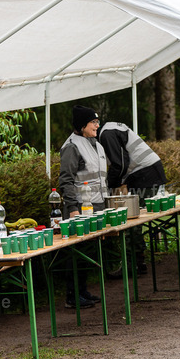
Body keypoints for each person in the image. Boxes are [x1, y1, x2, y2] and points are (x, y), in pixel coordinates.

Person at [99, 122, 167, 275]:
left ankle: (132, 265)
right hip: (148, 171)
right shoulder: (111, 128)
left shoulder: (105, 134)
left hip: (144, 174)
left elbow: (119, 164)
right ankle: (139, 262)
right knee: (135, 219)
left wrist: (109, 186)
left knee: (132, 219)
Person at [58, 105, 108, 308]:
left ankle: (83, 291)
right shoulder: (72, 146)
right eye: (93, 122)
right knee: (76, 252)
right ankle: (72, 296)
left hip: (96, 206)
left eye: (97, 121)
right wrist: (73, 209)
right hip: (79, 207)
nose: (97, 125)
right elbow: (66, 180)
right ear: (82, 125)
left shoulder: (95, 143)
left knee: (88, 251)